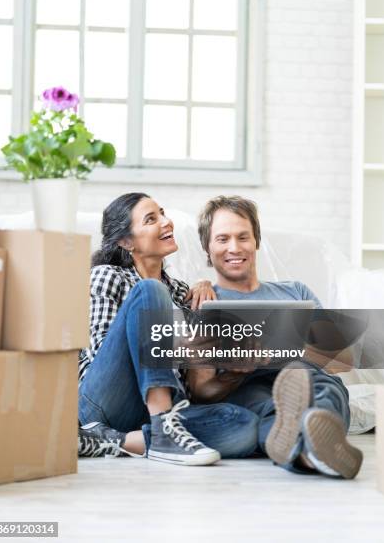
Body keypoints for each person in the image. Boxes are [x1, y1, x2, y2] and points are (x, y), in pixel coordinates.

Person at [187, 195, 363, 479]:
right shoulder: (203, 304)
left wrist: (282, 348)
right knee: (265, 409)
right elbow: (200, 391)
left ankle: (306, 452)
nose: (234, 248)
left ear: (256, 240)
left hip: (306, 375)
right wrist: (231, 374)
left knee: (323, 388)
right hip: (245, 385)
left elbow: (344, 360)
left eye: (243, 237)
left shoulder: (296, 292)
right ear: (208, 249)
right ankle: (316, 453)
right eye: (222, 239)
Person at [77, 192, 258, 466]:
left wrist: (205, 287)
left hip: (160, 412)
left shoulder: (182, 292)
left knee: (243, 425)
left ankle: (114, 441)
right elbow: (101, 351)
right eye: (151, 219)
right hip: (106, 399)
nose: (166, 222)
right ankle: (160, 428)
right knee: (150, 289)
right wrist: (176, 347)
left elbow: (193, 387)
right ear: (127, 241)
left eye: (162, 213)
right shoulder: (107, 275)